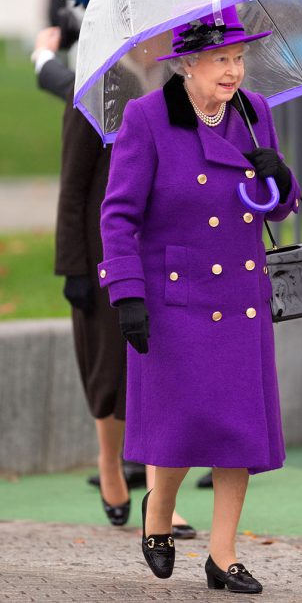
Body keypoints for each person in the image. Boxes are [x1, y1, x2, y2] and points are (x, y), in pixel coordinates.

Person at [98, 5, 300, 592]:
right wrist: (127, 294)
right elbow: (119, 215)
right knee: (183, 426)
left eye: (239, 59)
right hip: (175, 300)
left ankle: (223, 553)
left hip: (239, 295)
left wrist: (279, 178)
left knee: (237, 431)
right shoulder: (147, 118)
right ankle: (158, 511)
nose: (234, 71)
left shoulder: (255, 113)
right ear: (188, 64)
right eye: (221, 60)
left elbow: (278, 207)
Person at [31, 28, 196, 537]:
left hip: (162, 251)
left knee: (157, 374)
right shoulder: (99, 88)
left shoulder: (181, 83)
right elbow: (74, 188)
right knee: (109, 372)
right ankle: (109, 464)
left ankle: (159, 500)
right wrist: (73, 267)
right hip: (106, 251)